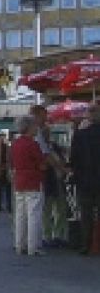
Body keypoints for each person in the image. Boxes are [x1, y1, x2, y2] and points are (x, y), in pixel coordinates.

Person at [11, 115, 46, 256]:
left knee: (20, 214)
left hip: (19, 180)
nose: (37, 128)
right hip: (33, 179)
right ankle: (33, 246)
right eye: (35, 126)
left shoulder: (15, 144)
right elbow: (41, 162)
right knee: (34, 214)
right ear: (29, 127)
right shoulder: (33, 144)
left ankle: (20, 244)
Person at [68, 103, 100, 255]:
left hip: (84, 180)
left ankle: (85, 244)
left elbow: (73, 159)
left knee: (85, 213)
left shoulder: (79, 135)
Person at [42, 144, 68, 248]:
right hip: (48, 182)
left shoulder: (54, 147)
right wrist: (60, 166)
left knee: (60, 210)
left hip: (57, 183)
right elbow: (49, 163)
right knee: (47, 211)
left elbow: (62, 161)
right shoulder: (43, 149)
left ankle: (57, 235)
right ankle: (47, 236)